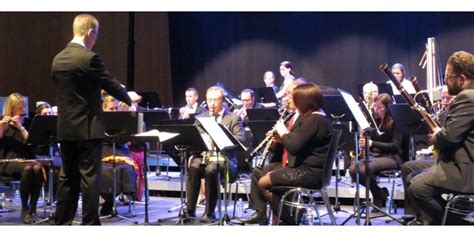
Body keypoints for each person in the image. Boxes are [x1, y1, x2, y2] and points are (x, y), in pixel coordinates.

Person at [51, 14, 134, 225]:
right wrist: (128, 97)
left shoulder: (58, 59)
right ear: (90, 32)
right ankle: (89, 224)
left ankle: (62, 222)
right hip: (87, 130)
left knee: (67, 178)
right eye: (96, 35)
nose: (95, 40)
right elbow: (110, 84)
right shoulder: (89, 58)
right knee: (90, 180)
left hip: (66, 130)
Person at [407, 51, 474, 225]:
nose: (445, 81)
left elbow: (449, 137)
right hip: (462, 162)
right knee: (412, 176)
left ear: (461, 78)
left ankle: (459, 225)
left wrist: (437, 135)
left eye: (448, 77)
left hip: (466, 169)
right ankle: (430, 222)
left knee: (417, 189)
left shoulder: (467, 97)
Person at [255, 82, 333, 225]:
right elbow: (301, 142)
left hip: (309, 173)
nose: (293, 102)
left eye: (295, 99)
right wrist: (281, 139)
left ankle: (289, 222)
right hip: (313, 171)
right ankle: (284, 219)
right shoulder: (319, 118)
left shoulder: (313, 120)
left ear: (304, 101)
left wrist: (283, 131)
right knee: (267, 177)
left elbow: (294, 147)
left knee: (263, 182)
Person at [242, 78, 308, 225]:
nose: (286, 97)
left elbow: (297, 145)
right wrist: (274, 142)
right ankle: (260, 212)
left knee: (266, 179)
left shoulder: (306, 118)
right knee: (257, 172)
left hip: (297, 165)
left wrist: (283, 135)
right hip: (284, 161)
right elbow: (284, 144)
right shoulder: (290, 115)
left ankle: (287, 217)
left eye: (290, 94)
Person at [185, 86, 245, 220]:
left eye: (215, 100)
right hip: (204, 156)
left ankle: (210, 212)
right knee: (194, 167)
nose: (212, 103)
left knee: (211, 169)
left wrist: (223, 136)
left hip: (224, 159)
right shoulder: (201, 117)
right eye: (209, 100)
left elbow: (241, 139)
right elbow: (194, 137)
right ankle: (190, 210)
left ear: (223, 100)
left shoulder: (233, 118)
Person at [400, 85, 454, 224]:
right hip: (440, 158)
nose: (445, 100)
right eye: (443, 97)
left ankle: (439, 219)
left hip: (451, 161)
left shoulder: (461, 114)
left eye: (449, 97)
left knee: (416, 181)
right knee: (407, 167)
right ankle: (415, 214)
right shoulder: (442, 115)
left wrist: (439, 136)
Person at [349, 93, 403, 209]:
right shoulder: (375, 120)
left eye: (380, 108)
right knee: (353, 169)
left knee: (365, 169)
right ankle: (380, 194)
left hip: (391, 157)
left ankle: (378, 197)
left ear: (388, 108)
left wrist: (372, 143)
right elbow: (371, 140)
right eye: (375, 107)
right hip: (376, 155)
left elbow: (395, 146)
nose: (376, 110)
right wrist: (364, 143)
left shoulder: (396, 121)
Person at [0, 93, 44, 224]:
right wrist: (2, 128)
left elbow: (32, 143)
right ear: (11, 109)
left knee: (36, 167)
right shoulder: (2, 122)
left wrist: (20, 126)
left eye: (23, 107)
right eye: (19, 108)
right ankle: (25, 208)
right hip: (7, 162)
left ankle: (33, 209)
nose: (23, 110)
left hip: (27, 159)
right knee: (29, 168)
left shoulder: (28, 123)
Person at [99, 96, 138, 216]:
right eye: (111, 109)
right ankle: (109, 201)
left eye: (116, 108)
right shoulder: (98, 120)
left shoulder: (123, 120)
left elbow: (129, 138)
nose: (114, 111)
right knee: (104, 170)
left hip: (120, 151)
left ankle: (112, 202)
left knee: (127, 169)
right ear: (104, 109)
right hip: (103, 152)